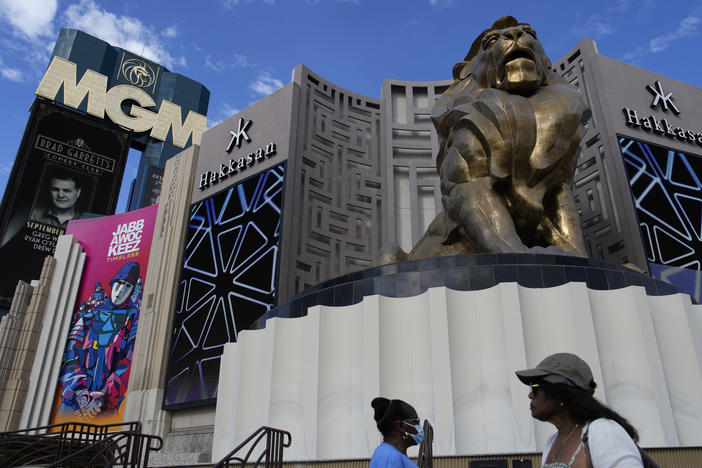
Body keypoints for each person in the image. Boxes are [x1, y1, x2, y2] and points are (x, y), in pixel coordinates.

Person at [516, 353, 643, 467]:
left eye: (535, 388)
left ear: (561, 393)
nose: (531, 395)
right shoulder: (551, 442)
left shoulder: (603, 431)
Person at [59, 262, 142, 417]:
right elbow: (69, 356)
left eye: (127, 286)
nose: (121, 290)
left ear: (132, 290)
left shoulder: (135, 319)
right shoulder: (88, 317)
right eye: (119, 283)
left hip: (105, 408)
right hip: (74, 404)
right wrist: (80, 394)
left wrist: (104, 395)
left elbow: (130, 361)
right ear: (113, 283)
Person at [369, 397, 424, 468]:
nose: (419, 427)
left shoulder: (391, 455)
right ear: (400, 426)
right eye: (415, 422)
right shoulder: (390, 458)